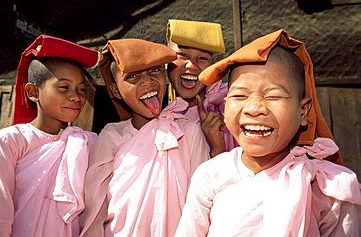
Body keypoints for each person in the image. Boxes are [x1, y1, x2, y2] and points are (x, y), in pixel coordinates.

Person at [174, 29, 360, 236]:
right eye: (240, 96)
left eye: (274, 97)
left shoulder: (330, 186)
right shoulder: (210, 175)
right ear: (225, 106)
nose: (254, 109)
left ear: (303, 110)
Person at [80, 38, 210, 237]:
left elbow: (199, 202)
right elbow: (96, 205)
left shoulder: (190, 132)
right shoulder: (112, 135)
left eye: (155, 70)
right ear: (115, 90)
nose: (148, 81)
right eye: (132, 76)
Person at [0, 35, 100, 237]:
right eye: (64, 87)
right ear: (33, 92)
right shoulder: (10, 141)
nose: (76, 96)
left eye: (82, 89)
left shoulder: (89, 144)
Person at [166, 19, 238, 156]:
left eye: (203, 58)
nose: (192, 65)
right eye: (183, 55)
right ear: (166, 62)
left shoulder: (230, 102)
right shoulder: (160, 119)